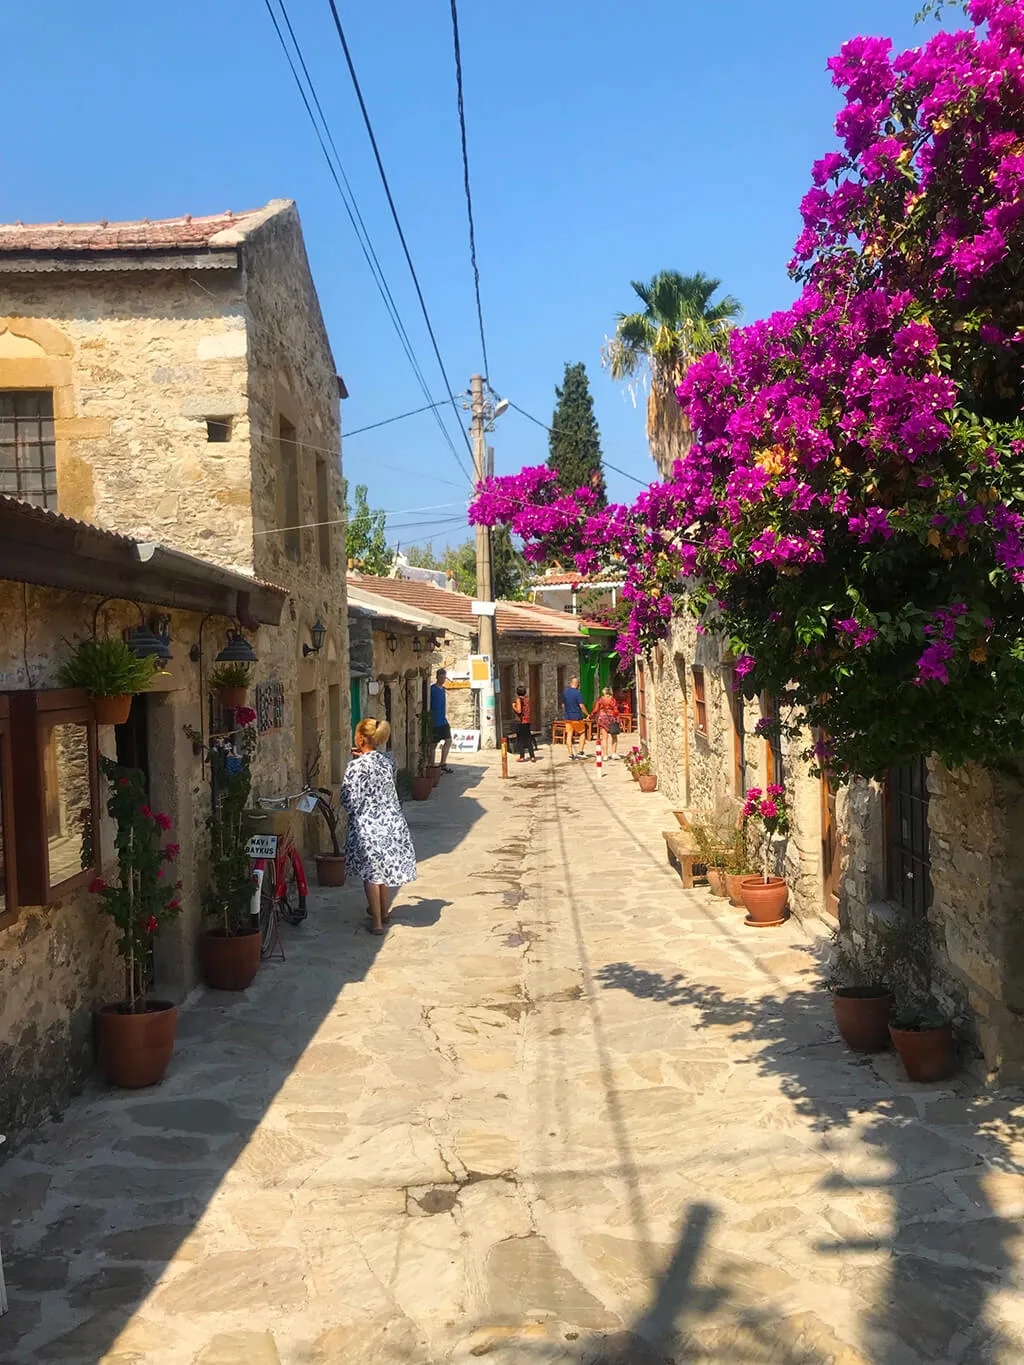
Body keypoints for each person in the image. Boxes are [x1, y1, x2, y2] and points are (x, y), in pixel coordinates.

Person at [341, 718, 417, 935]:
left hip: (368, 826)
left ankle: (376, 923)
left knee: (371, 874)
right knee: (382, 870)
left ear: (361, 738)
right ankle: (383, 912)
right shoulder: (388, 761)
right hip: (391, 822)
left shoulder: (355, 767)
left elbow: (348, 800)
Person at [430, 668, 454, 773]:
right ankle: (431, 765)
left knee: (448, 740)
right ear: (437, 677)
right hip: (434, 722)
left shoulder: (443, 689)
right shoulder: (432, 689)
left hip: (443, 721)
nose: (443, 679)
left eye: (444, 677)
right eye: (441, 677)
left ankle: (443, 763)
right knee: (433, 744)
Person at [562, 675, 589, 760]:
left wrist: (567, 711)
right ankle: (580, 751)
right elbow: (581, 706)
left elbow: (563, 705)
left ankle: (570, 754)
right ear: (577, 684)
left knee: (569, 735)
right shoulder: (578, 693)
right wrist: (587, 714)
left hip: (568, 717)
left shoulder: (565, 692)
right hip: (576, 716)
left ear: (571, 683)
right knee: (582, 733)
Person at [593, 685, 621, 760]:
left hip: (602, 719)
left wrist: (591, 715)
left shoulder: (600, 700)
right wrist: (617, 718)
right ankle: (614, 753)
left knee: (604, 738)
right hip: (611, 719)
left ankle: (605, 755)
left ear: (604, 692)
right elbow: (615, 709)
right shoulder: (612, 700)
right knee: (614, 737)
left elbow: (596, 709)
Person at [511, 684, 537, 763]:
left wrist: (513, 706)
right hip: (527, 721)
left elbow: (519, 711)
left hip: (520, 721)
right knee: (528, 739)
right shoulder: (527, 699)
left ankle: (522, 756)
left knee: (520, 739)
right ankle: (532, 756)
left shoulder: (518, 699)